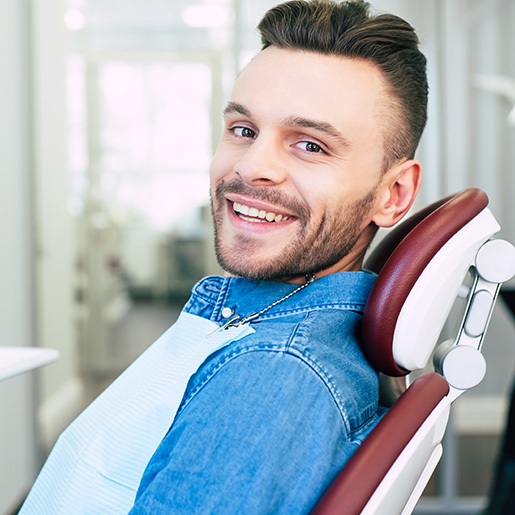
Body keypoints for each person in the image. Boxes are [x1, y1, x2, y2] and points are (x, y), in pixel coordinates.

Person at [21, 1, 428, 513]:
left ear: (391, 194)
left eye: (310, 145)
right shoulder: (260, 324)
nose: (253, 166)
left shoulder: (271, 377)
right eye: (243, 130)